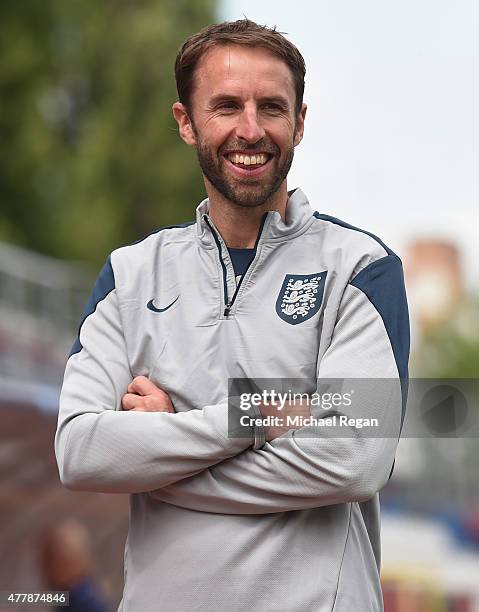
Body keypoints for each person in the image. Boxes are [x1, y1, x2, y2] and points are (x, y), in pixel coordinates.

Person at [55, 19, 410, 611]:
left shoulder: (363, 269)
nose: (251, 130)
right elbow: (80, 451)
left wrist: (161, 456)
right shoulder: (129, 274)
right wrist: (253, 415)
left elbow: (354, 459)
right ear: (186, 123)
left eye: (271, 107)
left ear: (298, 123)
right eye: (225, 106)